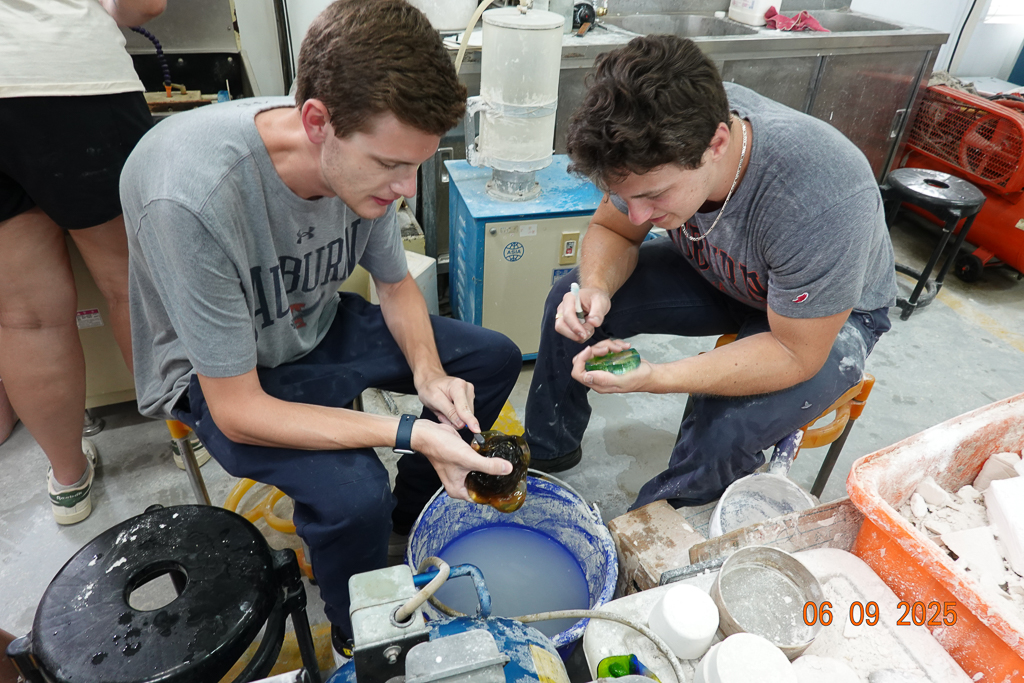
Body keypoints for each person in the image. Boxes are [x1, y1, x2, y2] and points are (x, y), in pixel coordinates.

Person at [121, 0, 521, 647]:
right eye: (391, 165)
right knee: (353, 493)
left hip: (315, 321)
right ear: (315, 122)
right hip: (223, 378)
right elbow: (239, 410)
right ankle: (356, 632)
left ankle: (407, 520)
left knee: (492, 357)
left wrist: (428, 374)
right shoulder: (192, 196)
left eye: (416, 164)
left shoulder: (361, 153)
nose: (407, 187)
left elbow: (395, 284)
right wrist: (410, 431)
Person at [524, 35, 896, 509]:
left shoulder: (822, 196)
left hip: (822, 321)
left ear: (717, 143)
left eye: (654, 196)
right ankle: (547, 454)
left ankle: (646, 534)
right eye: (626, 197)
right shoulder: (655, 138)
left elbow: (792, 352)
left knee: (725, 427)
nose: (637, 216)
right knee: (568, 298)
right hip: (722, 272)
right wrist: (596, 287)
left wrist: (655, 375)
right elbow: (614, 229)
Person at [0, 0, 165, 524]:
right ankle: (188, 433)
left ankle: (69, 481)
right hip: (74, 78)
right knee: (133, 285)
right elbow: (145, 5)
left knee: (24, 318)